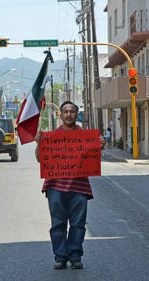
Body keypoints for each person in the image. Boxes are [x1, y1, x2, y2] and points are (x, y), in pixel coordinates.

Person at [35, 100, 93, 270]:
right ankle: (60, 256)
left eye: (72, 111)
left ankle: (75, 255)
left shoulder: (86, 136)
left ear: (76, 114)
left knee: (78, 224)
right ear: (60, 115)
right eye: (66, 111)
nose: (69, 114)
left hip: (79, 187)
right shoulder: (52, 136)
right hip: (55, 187)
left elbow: (93, 157)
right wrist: (39, 143)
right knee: (58, 223)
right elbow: (40, 159)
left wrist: (100, 144)